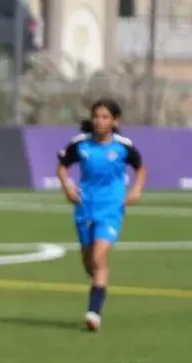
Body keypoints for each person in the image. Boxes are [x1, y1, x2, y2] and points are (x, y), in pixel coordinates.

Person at [57, 98, 146, 332]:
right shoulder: (81, 144)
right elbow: (62, 165)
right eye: (96, 116)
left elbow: (140, 167)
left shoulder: (123, 146)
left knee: (98, 258)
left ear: (115, 120)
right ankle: (100, 280)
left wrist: (136, 189)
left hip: (111, 208)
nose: (99, 121)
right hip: (85, 207)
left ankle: (94, 312)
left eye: (105, 117)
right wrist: (67, 186)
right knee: (90, 262)